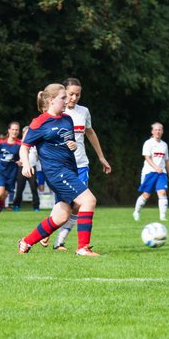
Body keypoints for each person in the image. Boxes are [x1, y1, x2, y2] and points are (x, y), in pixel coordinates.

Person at [17, 83, 99, 256]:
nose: (67, 100)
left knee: (61, 216)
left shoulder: (67, 119)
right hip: (57, 172)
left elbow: (67, 142)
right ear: (51, 100)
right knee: (88, 201)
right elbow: (24, 146)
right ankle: (82, 248)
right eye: (63, 97)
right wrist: (26, 164)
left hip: (70, 169)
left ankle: (26, 242)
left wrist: (74, 145)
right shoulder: (39, 122)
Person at [53, 77, 112, 249]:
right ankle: (46, 232)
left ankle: (60, 241)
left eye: (77, 95)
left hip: (81, 165)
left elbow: (90, 132)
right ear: (64, 92)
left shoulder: (83, 112)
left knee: (79, 205)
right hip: (63, 166)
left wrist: (101, 156)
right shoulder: (57, 113)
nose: (74, 98)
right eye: (71, 94)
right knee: (63, 206)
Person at [133, 122, 169, 222]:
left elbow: (167, 160)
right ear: (152, 131)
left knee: (162, 193)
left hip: (162, 173)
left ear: (162, 131)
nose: (158, 131)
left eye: (159, 129)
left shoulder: (164, 145)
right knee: (146, 194)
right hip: (149, 172)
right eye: (156, 130)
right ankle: (136, 212)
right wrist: (156, 168)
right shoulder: (148, 143)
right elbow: (147, 157)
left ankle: (162, 217)